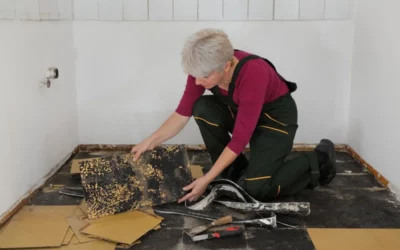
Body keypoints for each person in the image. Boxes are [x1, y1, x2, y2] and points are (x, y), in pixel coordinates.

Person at [131, 28, 336, 204]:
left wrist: (207, 180)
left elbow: (239, 140)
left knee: (257, 189)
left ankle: (318, 160)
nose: (197, 82)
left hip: (274, 120)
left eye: (204, 77)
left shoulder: (254, 73)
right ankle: (235, 172)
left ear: (227, 65)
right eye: (195, 75)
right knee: (201, 107)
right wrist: (150, 140)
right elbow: (182, 113)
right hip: (243, 113)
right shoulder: (202, 70)